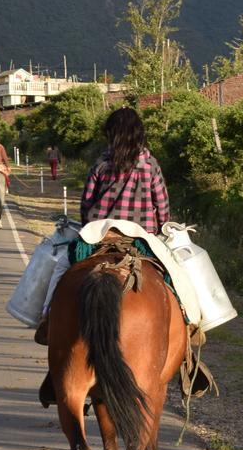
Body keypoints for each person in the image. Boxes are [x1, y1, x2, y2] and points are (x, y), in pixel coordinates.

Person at [33, 107, 169, 345]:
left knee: (62, 266)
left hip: (99, 236)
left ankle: (48, 316)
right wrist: (163, 227)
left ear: (111, 134)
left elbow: (86, 205)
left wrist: (90, 225)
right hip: (141, 240)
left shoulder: (101, 164)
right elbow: (162, 203)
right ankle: (189, 322)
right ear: (139, 134)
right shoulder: (150, 165)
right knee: (173, 276)